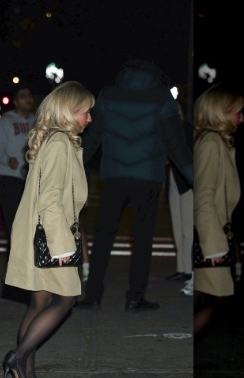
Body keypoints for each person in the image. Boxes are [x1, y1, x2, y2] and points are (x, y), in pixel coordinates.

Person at [76, 58, 194, 312]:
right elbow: (176, 145)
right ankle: (134, 296)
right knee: (142, 240)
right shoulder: (162, 98)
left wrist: (71, 165)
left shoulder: (108, 94)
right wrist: (195, 178)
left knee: (104, 235)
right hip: (148, 176)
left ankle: (93, 295)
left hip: (114, 175)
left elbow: (94, 137)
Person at [3, 81, 94, 378]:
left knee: (39, 302)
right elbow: (51, 199)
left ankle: (26, 376)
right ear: (70, 112)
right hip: (51, 236)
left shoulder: (59, 140)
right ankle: (18, 356)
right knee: (65, 300)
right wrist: (63, 248)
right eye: (86, 112)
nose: (89, 119)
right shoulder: (60, 143)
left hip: (37, 232)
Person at [192, 82, 244, 339]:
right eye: (237, 112)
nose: (242, 118)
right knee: (212, 296)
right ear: (220, 113)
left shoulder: (218, 142)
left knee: (211, 295)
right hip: (210, 238)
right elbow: (203, 197)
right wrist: (213, 245)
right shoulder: (212, 143)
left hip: (216, 235)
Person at [0, 85, 35, 237]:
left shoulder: (36, 121)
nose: (28, 99)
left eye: (29, 95)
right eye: (23, 96)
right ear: (16, 101)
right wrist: (7, 160)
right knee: (14, 221)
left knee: (31, 220)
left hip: (30, 177)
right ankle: (14, 257)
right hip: (8, 177)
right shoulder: (6, 121)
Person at [167, 103, 194, 295]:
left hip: (186, 180)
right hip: (173, 178)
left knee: (187, 228)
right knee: (177, 226)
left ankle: (189, 268)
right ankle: (182, 268)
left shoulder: (185, 128)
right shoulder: (166, 130)